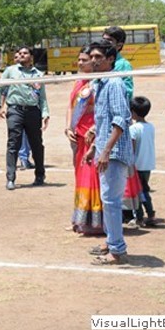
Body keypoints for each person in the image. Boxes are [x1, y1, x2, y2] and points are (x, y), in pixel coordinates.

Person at [87, 40, 133, 265]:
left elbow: (121, 119)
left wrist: (105, 151)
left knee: (112, 201)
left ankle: (117, 251)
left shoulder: (114, 83)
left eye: (98, 57)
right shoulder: (100, 84)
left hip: (114, 153)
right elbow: (104, 120)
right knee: (108, 201)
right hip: (105, 150)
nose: (93, 61)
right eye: (92, 57)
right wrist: (94, 145)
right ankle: (111, 242)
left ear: (110, 59)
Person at [0, 46, 49, 190]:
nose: (22, 55)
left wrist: (45, 113)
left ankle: (40, 175)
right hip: (15, 110)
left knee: (36, 144)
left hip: (32, 111)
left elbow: (42, 96)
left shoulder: (38, 74)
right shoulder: (11, 71)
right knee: (13, 143)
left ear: (31, 56)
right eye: (20, 53)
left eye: (25, 53)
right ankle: (10, 178)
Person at [65, 46, 102, 235]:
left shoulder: (98, 82)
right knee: (79, 175)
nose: (80, 63)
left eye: (84, 60)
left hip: (92, 135)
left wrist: (95, 130)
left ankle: (95, 222)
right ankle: (79, 218)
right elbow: (71, 106)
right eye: (79, 60)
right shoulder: (79, 81)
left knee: (91, 176)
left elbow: (102, 110)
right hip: (77, 134)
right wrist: (68, 127)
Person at [130, 96, 157, 227]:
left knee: (138, 192)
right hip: (148, 164)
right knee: (144, 189)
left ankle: (139, 217)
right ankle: (150, 214)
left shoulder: (134, 129)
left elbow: (132, 147)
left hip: (137, 165)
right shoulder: (150, 126)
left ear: (133, 112)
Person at [102, 26, 133, 100]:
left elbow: (128, 92)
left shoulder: (124, 65)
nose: (104, 43)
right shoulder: (98, 61)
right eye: (103, 39)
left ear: (119, 45)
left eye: (109, 40)